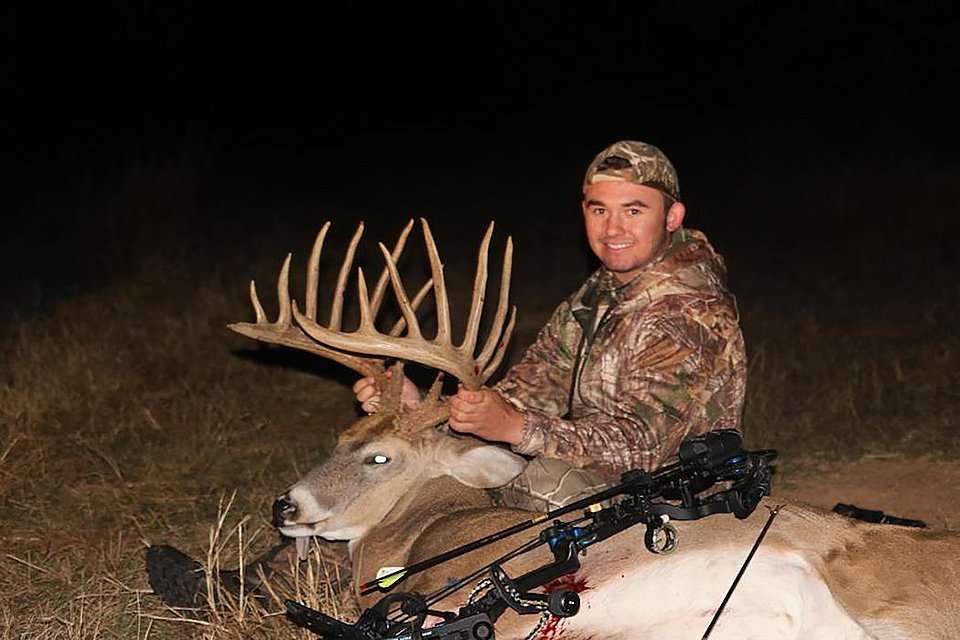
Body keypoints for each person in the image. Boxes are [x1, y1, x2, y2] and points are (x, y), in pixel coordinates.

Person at [355, 140, 747, 511]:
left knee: (540, 484)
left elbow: (643, 448)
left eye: (633, 211)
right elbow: (527, 393)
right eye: (599, 210)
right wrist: (423, 409)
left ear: (672, 217)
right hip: (610, 480)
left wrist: (517, 429)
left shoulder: (690, 313)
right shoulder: (599, 295)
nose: (613, 229)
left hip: (673, 503)